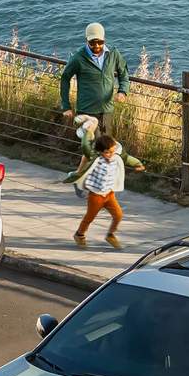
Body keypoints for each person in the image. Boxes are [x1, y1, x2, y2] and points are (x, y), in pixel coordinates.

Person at [59, 20, 130, 171]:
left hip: (106, 110)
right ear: (87, 40)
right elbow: (65, 78)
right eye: (92, 43)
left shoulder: (113, 54)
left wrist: (122, 91)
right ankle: (87, 175)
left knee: (105, 146)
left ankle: (91, 175)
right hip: (87, 111)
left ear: (104, 39)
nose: (96, 46)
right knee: (93, 147)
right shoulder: (78, 58)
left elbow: (123, 73)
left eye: (100, 42)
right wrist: (66, 106)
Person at [72, 132, 140, 249]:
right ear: (100, 151)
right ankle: (79, 234)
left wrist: (138, 164)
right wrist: (88, 131)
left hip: (109, 194)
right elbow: (85, 149)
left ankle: (110, 235)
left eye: (112, 151)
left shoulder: (115, 158)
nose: (110, 154)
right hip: (96, 195)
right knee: (90, 217)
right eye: (107, 152)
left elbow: (127, 158)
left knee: (118, 215)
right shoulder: (96, 160)